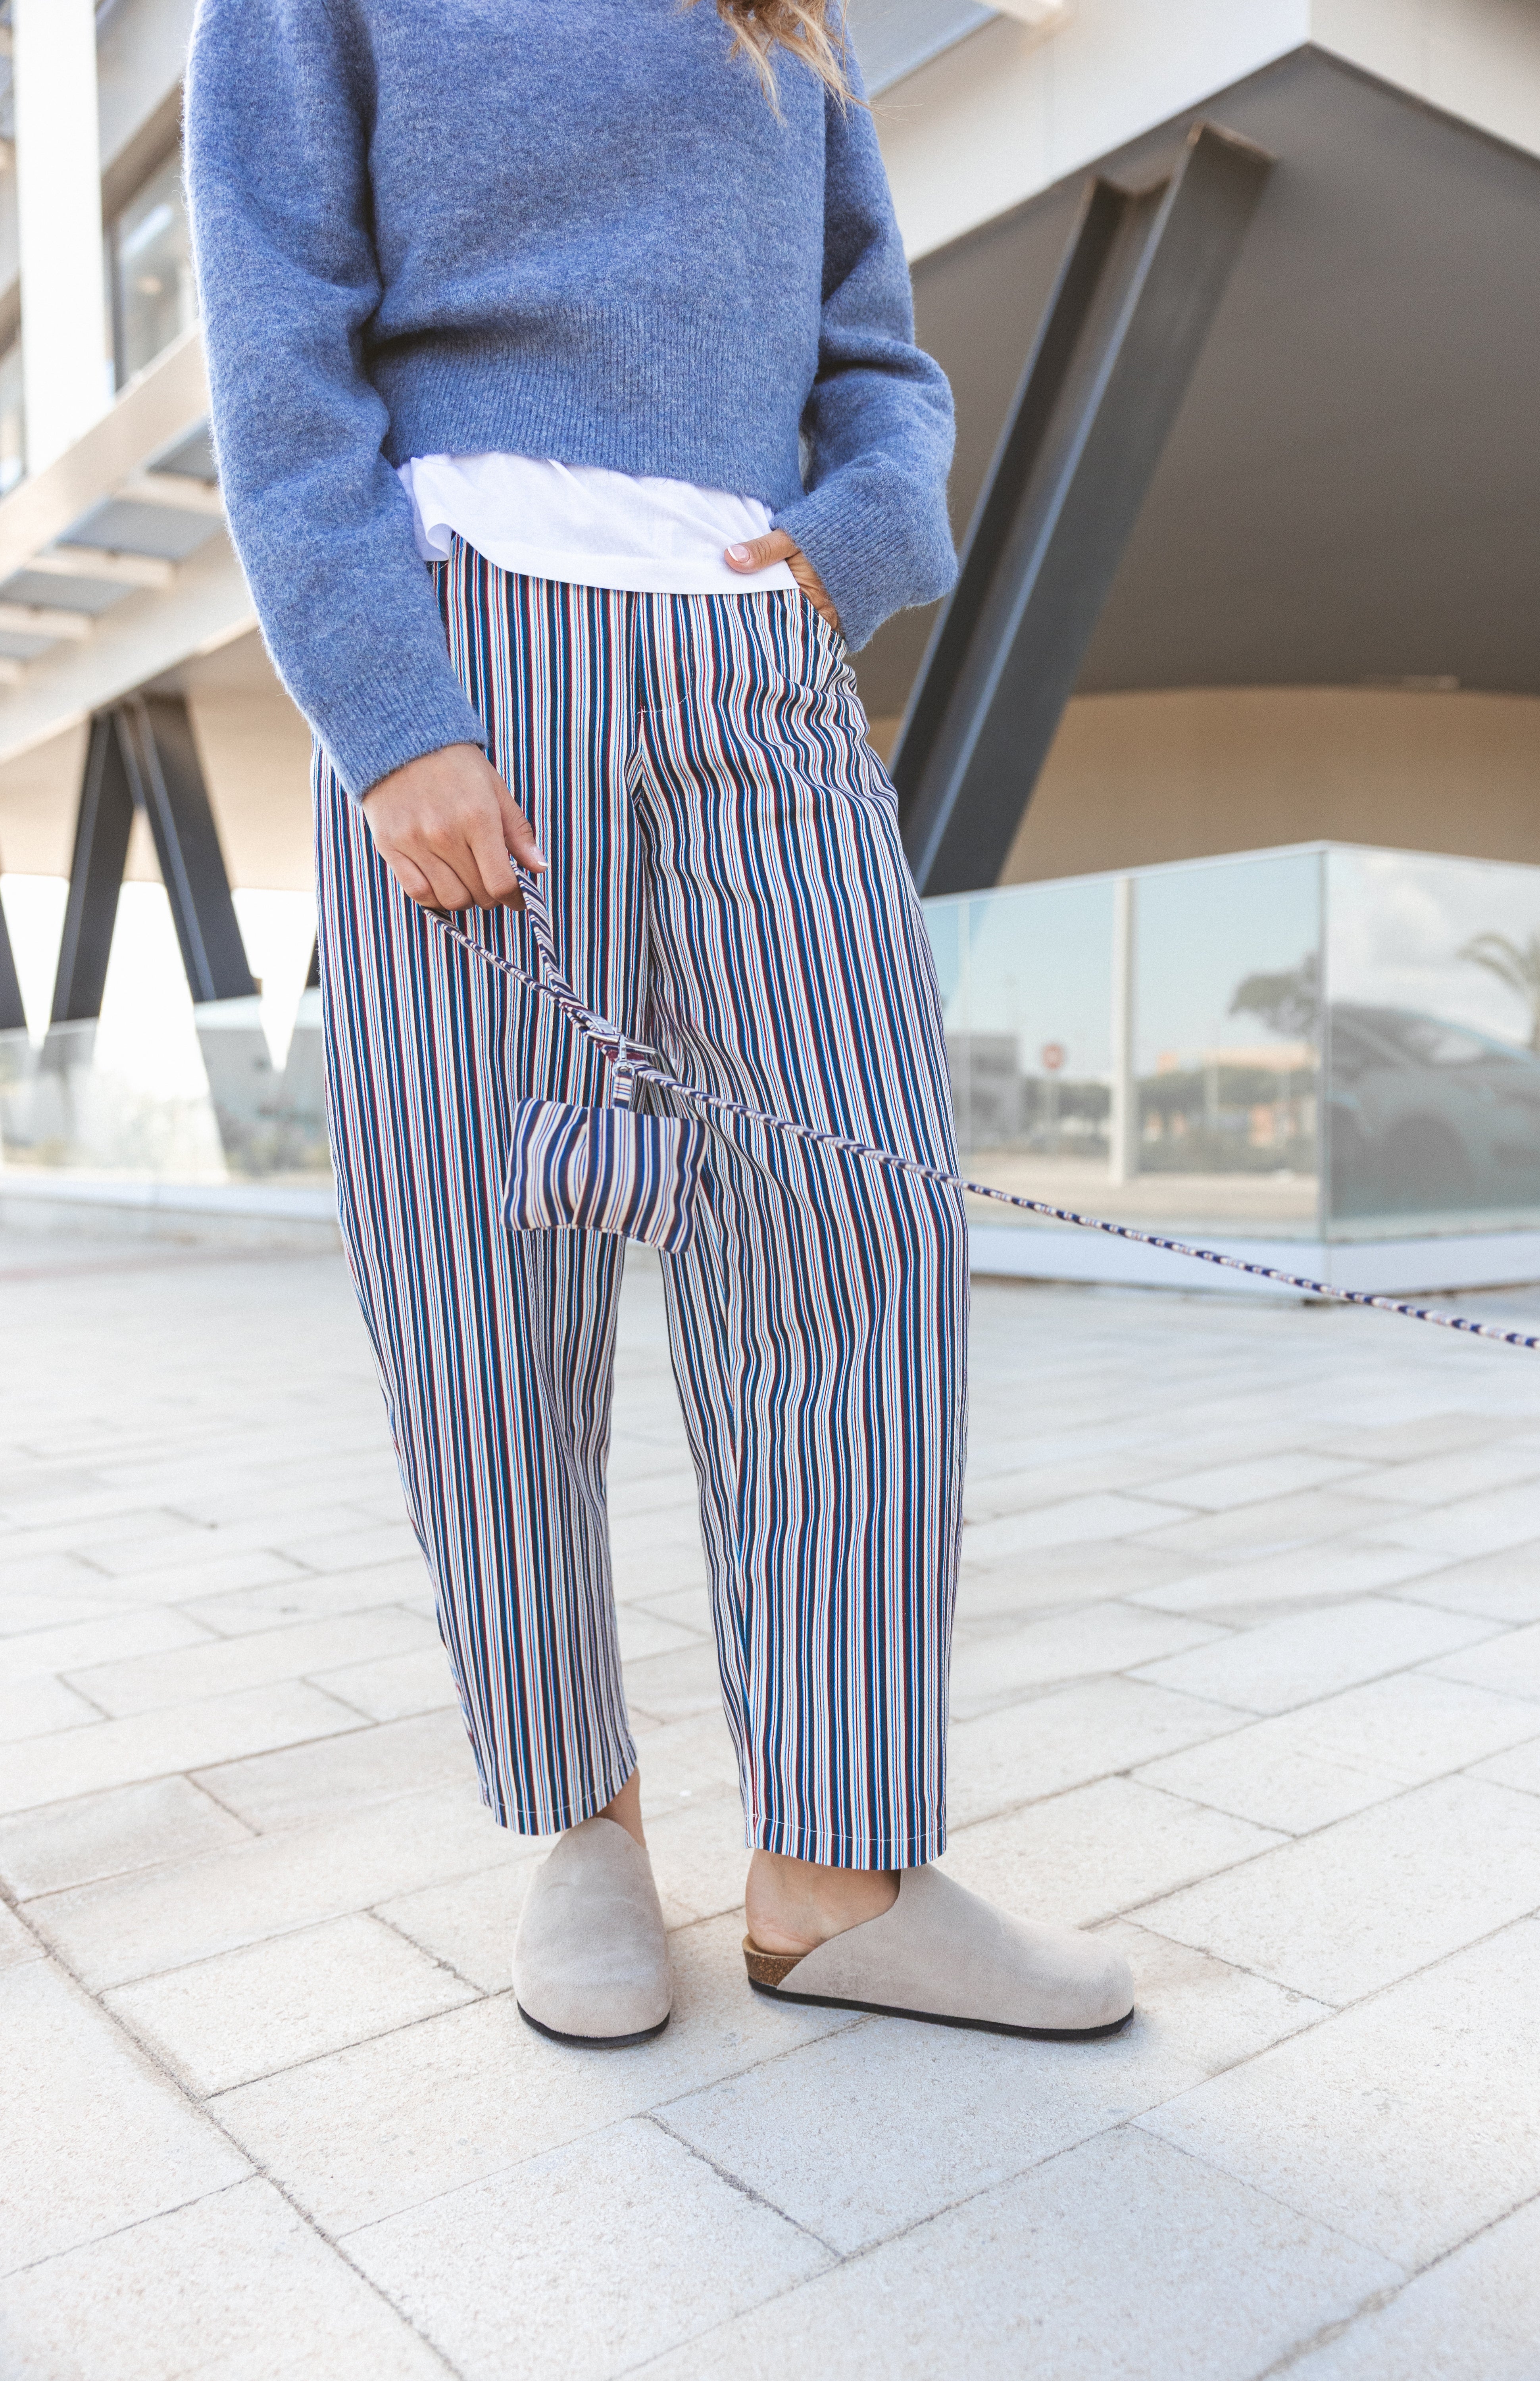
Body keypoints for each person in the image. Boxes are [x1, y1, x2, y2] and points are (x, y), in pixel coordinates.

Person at [186, 0, 1132, 2047]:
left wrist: (853, 546)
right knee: (479, 1276)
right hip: (470, 654)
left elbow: (875, 343)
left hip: (755, 662)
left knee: (863, 1239)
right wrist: (390, 722)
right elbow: (276, 359)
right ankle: (583, 1833)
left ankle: (840, 1873)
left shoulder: (782, 15)